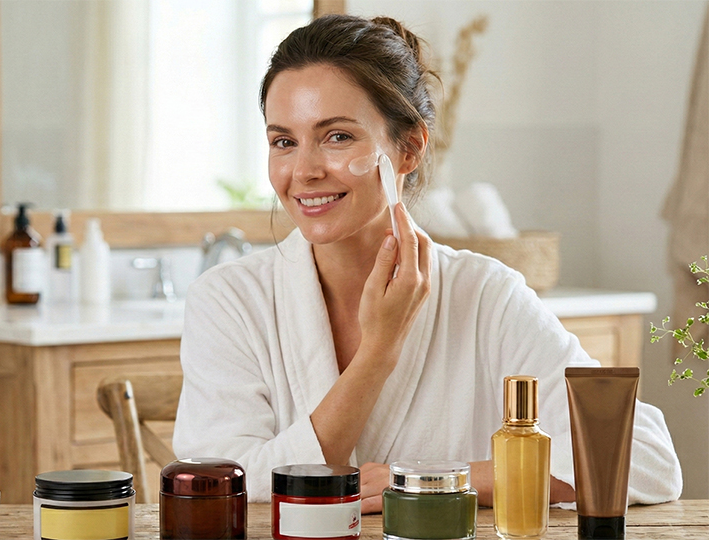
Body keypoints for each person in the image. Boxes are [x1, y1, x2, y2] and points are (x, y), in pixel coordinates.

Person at [172, 14, 682, 513]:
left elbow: (643, 458)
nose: (303, 171)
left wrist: (426, 480)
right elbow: (223, 484)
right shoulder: (230, 300)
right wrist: (378, 353)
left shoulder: (483, 294)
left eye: (337, 136)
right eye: (284, 142)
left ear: (410, 148)